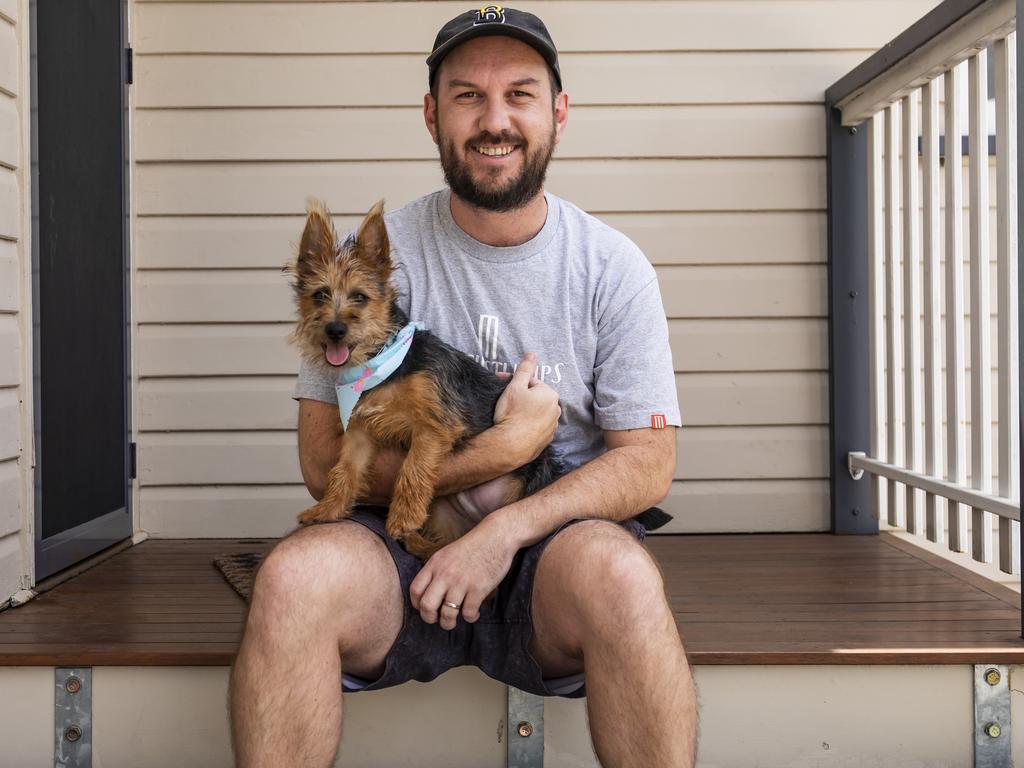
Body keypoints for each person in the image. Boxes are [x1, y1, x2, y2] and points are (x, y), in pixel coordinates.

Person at [229, 7, 698, 767]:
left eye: (520, 94)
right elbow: (324, 466)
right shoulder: (371, 263)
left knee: (625, 578)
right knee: (290, 579)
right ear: (431, 114)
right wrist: (500, 449)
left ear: (558, 112)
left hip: (551, 536)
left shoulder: (612, 267)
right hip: (395, 538)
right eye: (467, 96)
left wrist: (504, 529)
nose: (495, 120)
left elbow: (648, 463)